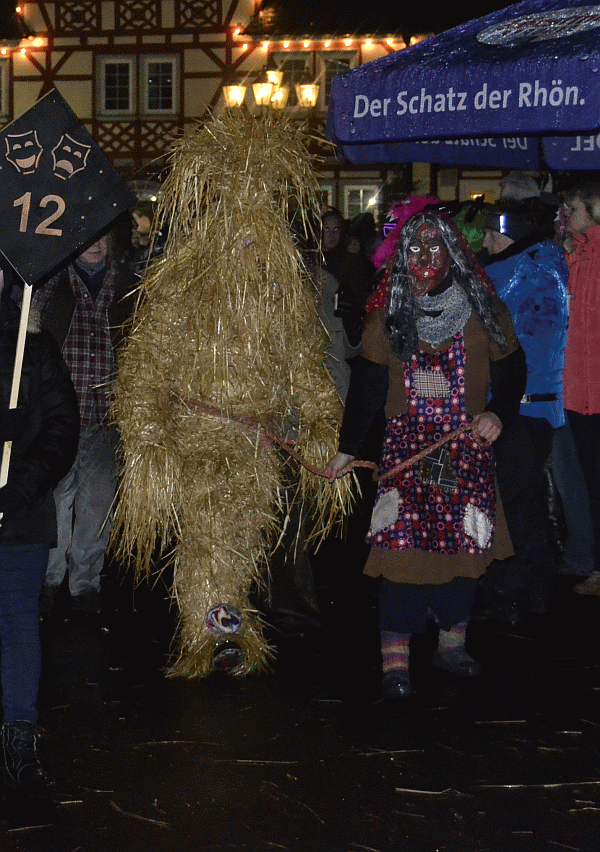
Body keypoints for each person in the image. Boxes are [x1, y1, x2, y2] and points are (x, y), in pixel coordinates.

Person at [325, 211, 526, 699]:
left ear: (454, 254)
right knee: (400, 554)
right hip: (406, 457)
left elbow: (514, 368)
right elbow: (369, 387)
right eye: (413, 249)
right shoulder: (388, 318)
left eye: (435, 247)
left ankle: (451, 647)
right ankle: (395, 662)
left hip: (465, 450)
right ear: (400, 259)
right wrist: (347, 449)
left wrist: (498, 413)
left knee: (464, 549)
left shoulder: (485, 312)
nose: (424, 258)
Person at [0, 268, 79, 792]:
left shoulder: (33, 343)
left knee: (18, 624)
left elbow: (61, 426)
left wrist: (17, 490)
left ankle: (20, 736)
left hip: (19, 516)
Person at [32, 229, 135, 618]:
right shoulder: (50, 284)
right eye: (87, 237)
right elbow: (30, 336)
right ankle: (50, 581)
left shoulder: (127, 285)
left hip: (106, 417)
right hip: (59, 418)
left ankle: (86, 586)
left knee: (97, 505)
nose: (95, 244)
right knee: (57, 501)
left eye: (103, 237)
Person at [479, 203, 569, 621]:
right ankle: (535, 590)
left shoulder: (513, 275)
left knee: (514, 501)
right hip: (537, 403)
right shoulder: (550, 265)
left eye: (492, 235)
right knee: (524, 500)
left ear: (509, 237)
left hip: (519, 405)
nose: (485, 243)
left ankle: (513, 591)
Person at [560, 182, 600, 595]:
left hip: (587, 389)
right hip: (578, 389)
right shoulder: (574, 256)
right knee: (587, 478)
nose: (566, 215)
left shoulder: (586, 257)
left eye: (572, 209)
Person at [321, 209, 375, 347]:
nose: (331, 235)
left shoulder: (350, 258)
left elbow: (363, 293)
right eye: (326, 229)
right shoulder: (311, 259)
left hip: (342, 332)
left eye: (336, 229)